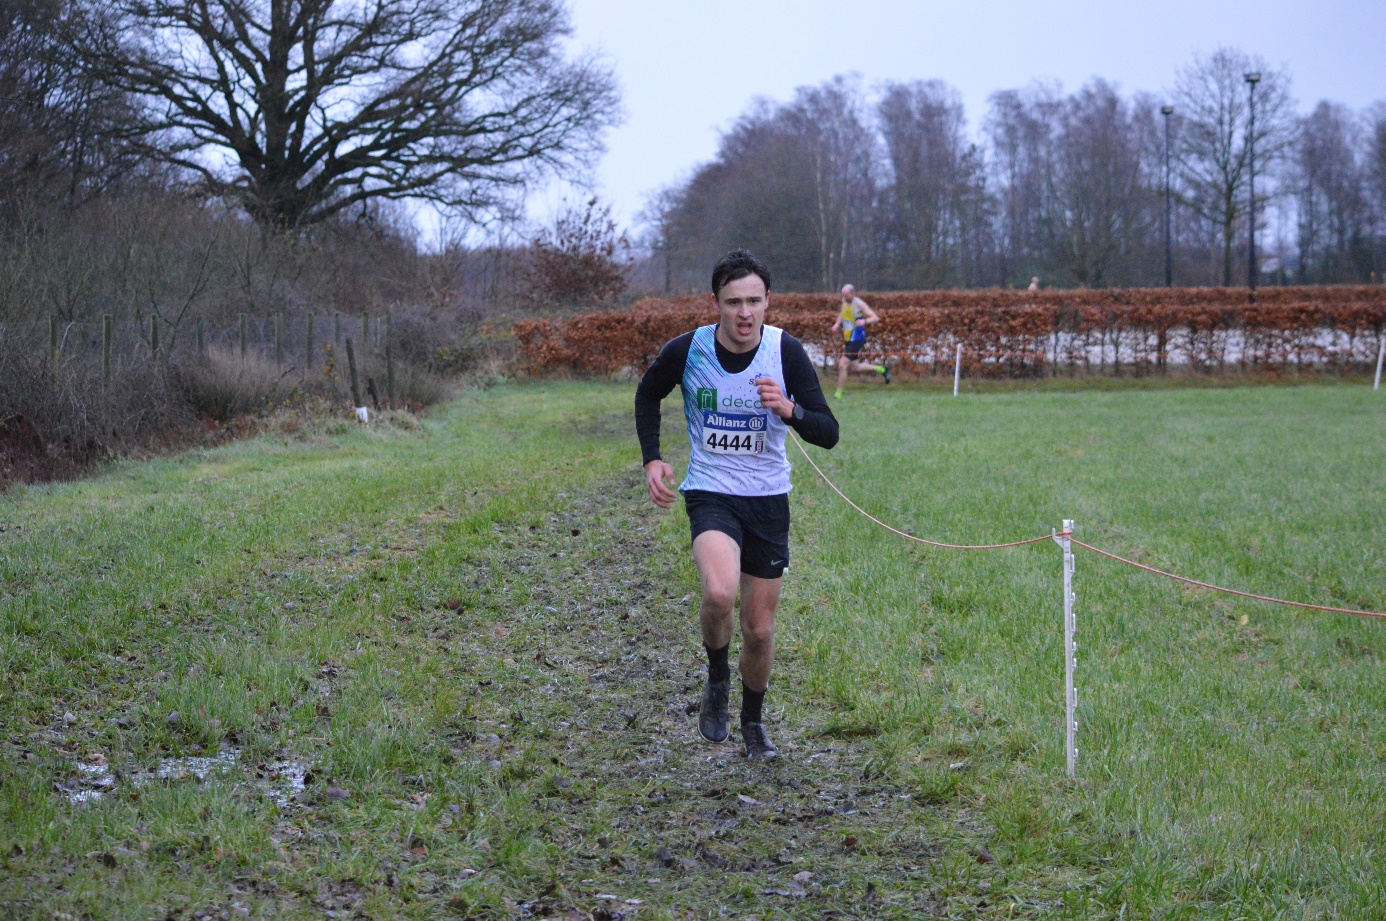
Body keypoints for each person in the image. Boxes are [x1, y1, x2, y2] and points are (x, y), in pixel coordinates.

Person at [634, 249, 839, 760]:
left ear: (769, 301)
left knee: (760, 629)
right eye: (733, 302)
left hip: (768, 500)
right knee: (719, 594)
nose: (745, 313)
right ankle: (717, 678)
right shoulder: (689, 350)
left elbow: (829, 432)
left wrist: (789, 409)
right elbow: (647, 394)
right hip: (712, 492)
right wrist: (652, 459)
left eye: (754, 301)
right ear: (716, 304)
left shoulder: (784, 352)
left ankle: (752, 724)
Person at [830, 284, 889, 398]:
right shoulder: (844, 302)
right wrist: (837, 324)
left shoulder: (859, 304)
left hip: (857, 339)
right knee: (855, 367)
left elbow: (875, 317)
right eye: (843, 295)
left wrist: (864, 322)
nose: (844, 297)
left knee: (842, 365)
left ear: (853, 294)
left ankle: (838, 393)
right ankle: (881, 369)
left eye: (846, 295)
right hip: (848, 338)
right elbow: (842, 313)